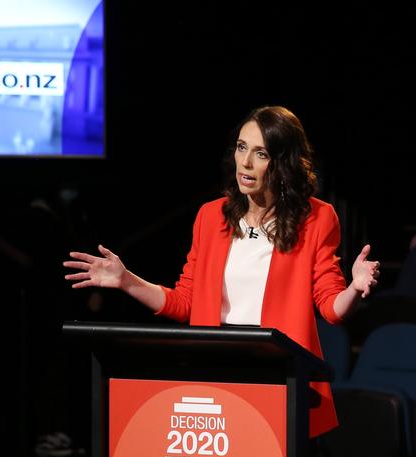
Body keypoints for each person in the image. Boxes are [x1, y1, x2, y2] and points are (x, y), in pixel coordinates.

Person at [64, 106, 378, 438]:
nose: (245, 163)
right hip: (216, 369)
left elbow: (331, 307)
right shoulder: (211, 217)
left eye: (260, 153)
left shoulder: (316, 218)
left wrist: (355, 288)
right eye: (242, 148)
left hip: (278, 376)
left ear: (283, 161)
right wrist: (127, 281)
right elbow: (185, 301)